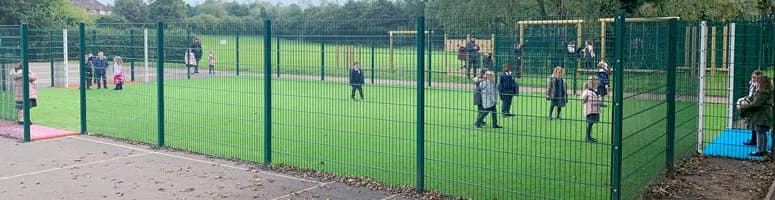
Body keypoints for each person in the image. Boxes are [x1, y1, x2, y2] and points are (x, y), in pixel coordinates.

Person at [738, 75, 773, 156]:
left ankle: (760, 150)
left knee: (760, 133)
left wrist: (743, 107)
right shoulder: (764, 91)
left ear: (761, 83)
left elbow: (756, 104)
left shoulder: (762, 93)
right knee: (762, 132)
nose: (755, 83)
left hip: (762, 116)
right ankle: (763, 149)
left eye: (757, 82)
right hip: (762, 115)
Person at [743, 70, 765, 146]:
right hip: (754, 106)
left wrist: (748, 104)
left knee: (757, 125)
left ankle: (756, 142)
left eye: (755, 77)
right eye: (752, 77)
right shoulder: (752, 84)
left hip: (758, 108)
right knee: (753, 123)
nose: (753, 79)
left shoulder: (760, 86)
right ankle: (754, 140)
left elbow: (755, 97)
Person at [581, 76, 604, 143]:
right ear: (592, 83)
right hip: (590, 110)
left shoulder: (595, 91)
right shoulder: (587, 91)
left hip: (595, 109)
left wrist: (599, 99)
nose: (597, 83)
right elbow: (583, 98)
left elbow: (597, 99)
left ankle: (589, 136)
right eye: (596, 82)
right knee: (590, 123)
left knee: (591, 123)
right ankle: (587, 137)